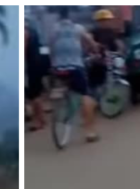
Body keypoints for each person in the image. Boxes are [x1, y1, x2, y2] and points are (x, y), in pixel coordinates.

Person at [49, 7, 101, 143]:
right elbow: (90, 43)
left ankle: (63, 104)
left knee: (65, 86)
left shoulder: (54, 30)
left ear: (58, 17)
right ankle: (90, 132)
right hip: (75, 67)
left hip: (57, 68)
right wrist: (95, 50)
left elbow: (51, 48)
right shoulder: (78, 28)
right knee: (86, 96)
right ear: (70, 16)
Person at [24, 22, 48, 132]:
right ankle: (41, 119)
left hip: (32, 65)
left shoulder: (25, 32)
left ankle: (39, 121)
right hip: (40, 64)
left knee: (34, 95)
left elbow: (23, 50)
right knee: (36, 93)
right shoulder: (34, 30)